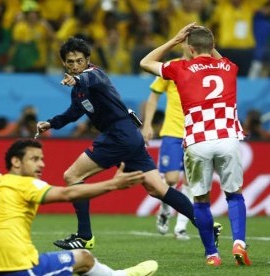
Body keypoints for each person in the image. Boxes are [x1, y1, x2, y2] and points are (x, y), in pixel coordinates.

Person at [36, 37, 199, 251]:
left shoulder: (95, 75)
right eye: (70, 62)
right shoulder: (79, 89)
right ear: (64, 63)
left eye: (78, 61)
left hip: (117, 136)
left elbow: (86, 78)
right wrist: (51, 123)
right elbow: (75, 111)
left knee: (72, 176)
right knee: (157, 188)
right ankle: (206, 224)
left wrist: (76, 80)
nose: (75, 65)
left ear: (88, 60)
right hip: (129, 136)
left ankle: (84, 236)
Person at [140, 23, 251, 266]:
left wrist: (174, 40)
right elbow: (219, 58)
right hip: (228, 138)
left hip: (197, 140)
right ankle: (239, 242)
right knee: (234, 195)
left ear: (189, 49)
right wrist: (212, 47)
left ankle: (212, 254)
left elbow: (145, 63)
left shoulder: (179, 68)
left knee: (200, 199)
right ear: (213, 47)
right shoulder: (229, 67)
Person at [0, 139, 158, 276]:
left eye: (42, 159)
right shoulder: (26, 184)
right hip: (18, 267)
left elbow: (2, 181)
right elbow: (67, 194)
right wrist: (113, 184)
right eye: (34, 159)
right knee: (84, 258)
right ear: (16, 162)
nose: (41, 164)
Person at [141, 67, 194, 241]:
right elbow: (154, 95)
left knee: (191, 181)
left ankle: (180, 228)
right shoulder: (171, 67)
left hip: (196, 133)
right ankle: (165, 210)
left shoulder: (205, 68)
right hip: (172, 132)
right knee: (171, 179)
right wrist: (147, 124)